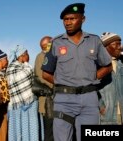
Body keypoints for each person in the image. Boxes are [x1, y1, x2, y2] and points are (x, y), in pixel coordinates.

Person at [41, 3, 112, 141]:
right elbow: (46, 74)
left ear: (83, 19)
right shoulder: (56, 42)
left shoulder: (94, 41)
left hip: (89, 99)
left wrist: (93, 78)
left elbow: (108, 66)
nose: (68, 22)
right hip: (64, 100)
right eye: (65, 20)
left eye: (72, 18)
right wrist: (65, 83)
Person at [6, 45, 39, 141]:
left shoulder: (20, 66)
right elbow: (25, 76)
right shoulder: (13, 67)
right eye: (27, 53)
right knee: (20, 129)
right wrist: (27, 65)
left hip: (28, 104)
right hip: (17, 105)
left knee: (29, 129)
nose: (29, 56)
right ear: (22, 55)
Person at [99, 32, 123, 125]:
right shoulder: (97, 65)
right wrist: (99, 106)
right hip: (107, 116)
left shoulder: (121, 63)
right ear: (105, 47)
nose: (119, 47)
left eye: (120, 44)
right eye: (116, 44)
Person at [34, 36, 54, 141]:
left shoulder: (47, 56)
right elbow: (43, 78)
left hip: (51, 99)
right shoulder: (42, 57)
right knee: (50, 132)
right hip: (48, 100)